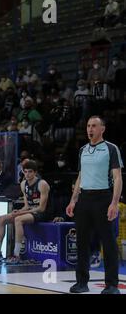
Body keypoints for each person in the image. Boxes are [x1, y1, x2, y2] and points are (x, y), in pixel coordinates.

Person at [66, 116, 123, 294]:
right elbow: (81, 176)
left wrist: (114, 203)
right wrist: (73, 200)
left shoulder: (111, 148)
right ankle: (81, 282)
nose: (90, 129)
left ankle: (112, 285)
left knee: (108, 243)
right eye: (88, 126)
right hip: (84, 199)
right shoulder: (82, 149)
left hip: (103, 198)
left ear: (102, 129)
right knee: (82, 242)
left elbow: (118, 177)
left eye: (94, 126)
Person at [0, 160, 50, 264]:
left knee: (18, 219)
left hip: (41, 213)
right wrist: (19, 210)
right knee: (1, 218)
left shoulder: (42, 184)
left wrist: (20, 213)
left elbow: (41, 208)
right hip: (30, 211)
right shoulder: (23, 184)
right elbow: (27, 206)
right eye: (25, 172)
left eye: (30, 172)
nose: (27, 174)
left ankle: (16, 255)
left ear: (35, 172)